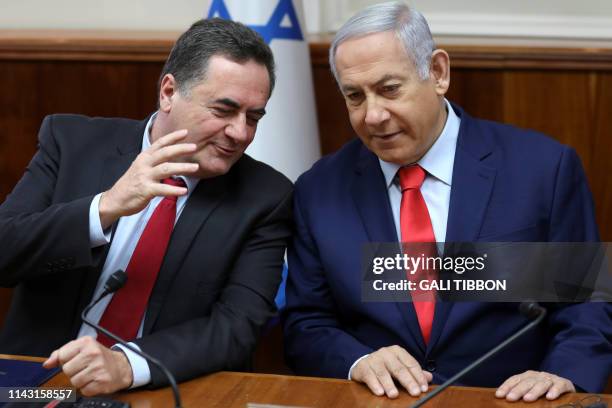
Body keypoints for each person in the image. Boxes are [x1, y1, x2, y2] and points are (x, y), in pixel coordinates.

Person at [282, 1, 611, 403]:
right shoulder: (319, 190)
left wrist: (562, 375)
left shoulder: (541, 170)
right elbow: (307, 322)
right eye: (354, 96)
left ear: (438, 73)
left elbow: (584, 304)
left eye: (389, 89)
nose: (373, 116)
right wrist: (357, 361)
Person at [0, 18, 292, 396]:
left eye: (253, 117)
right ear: (169, 92)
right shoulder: (71, 142)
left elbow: (236, 328)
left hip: (156, 387)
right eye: (224, 110)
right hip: (37, 383)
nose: (240, 133)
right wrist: (104, 207)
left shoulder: (265, 197)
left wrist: (127, 364)